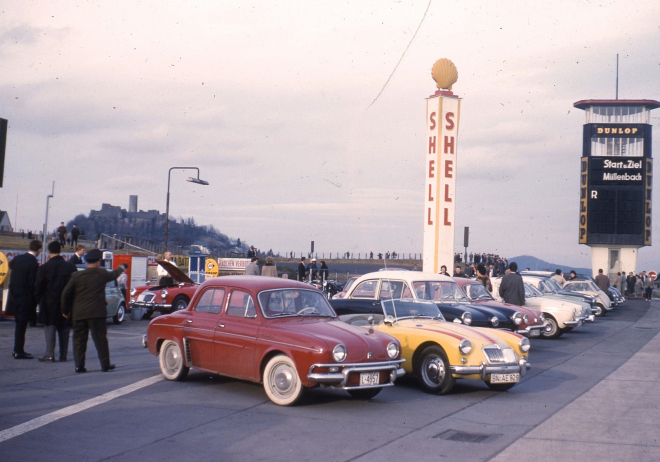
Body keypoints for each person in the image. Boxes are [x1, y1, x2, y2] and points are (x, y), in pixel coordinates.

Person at [61, 249, 124, 373]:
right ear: (97, 263)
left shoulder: (76, 276)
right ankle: (105, 364)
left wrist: (64, 310)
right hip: (97, 313)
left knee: (79, 339)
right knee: (100, 339)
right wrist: (121, 268)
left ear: (86, 263)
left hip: (79, 313)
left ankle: (79, 366)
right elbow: (114, 275)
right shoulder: (102, 273)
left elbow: (65, 293)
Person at [35, 241, 77, 362]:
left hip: (48, 303)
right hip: (66, 303)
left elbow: (38, 286)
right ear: (60, 251)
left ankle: (49, 354)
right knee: (64, 329)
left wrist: (37, 300)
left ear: (48, 251)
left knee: (50, 328)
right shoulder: (70, 267)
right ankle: (63, 355)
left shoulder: (44, 268)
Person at [6, 240, 43, 359]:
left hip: (14, 296)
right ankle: (18, 350)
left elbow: (10, 266)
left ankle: (17, 349)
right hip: (25, 297)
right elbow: (32, 283)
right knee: (21, 326)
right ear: (39, 249)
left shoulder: (18, 258)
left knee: (19, 324)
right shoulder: (33, 263)